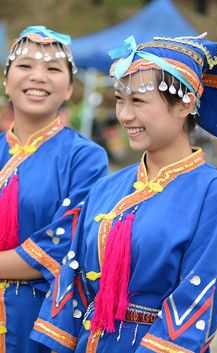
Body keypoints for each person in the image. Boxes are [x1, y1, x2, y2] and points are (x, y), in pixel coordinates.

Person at [31, 33, 217, 353]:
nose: (124, 115)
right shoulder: (106, 187)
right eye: (119, 99)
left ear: (184, 104)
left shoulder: (214, 192)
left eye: (138, 101)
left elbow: (198, 298)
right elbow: (72, 283)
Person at [0, 26, 108, 353]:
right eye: (24, 65)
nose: (38, 76)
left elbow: (65, 243)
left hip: (37, 321)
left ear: (69, 88)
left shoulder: (85, 157)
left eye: (52, 68)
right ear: (6, 81)